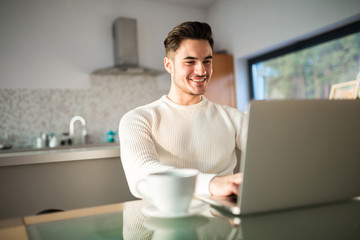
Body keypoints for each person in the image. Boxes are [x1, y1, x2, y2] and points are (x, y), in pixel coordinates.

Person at [119, 21, 248, 198]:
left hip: (224, 219)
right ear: (168, 65)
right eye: (190, 61)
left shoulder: (234, 118)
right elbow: (141, 174)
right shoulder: (138, 118)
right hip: (166, 220)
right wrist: (212, 183)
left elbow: (272, 155)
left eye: (207, 61)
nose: (202, 70)